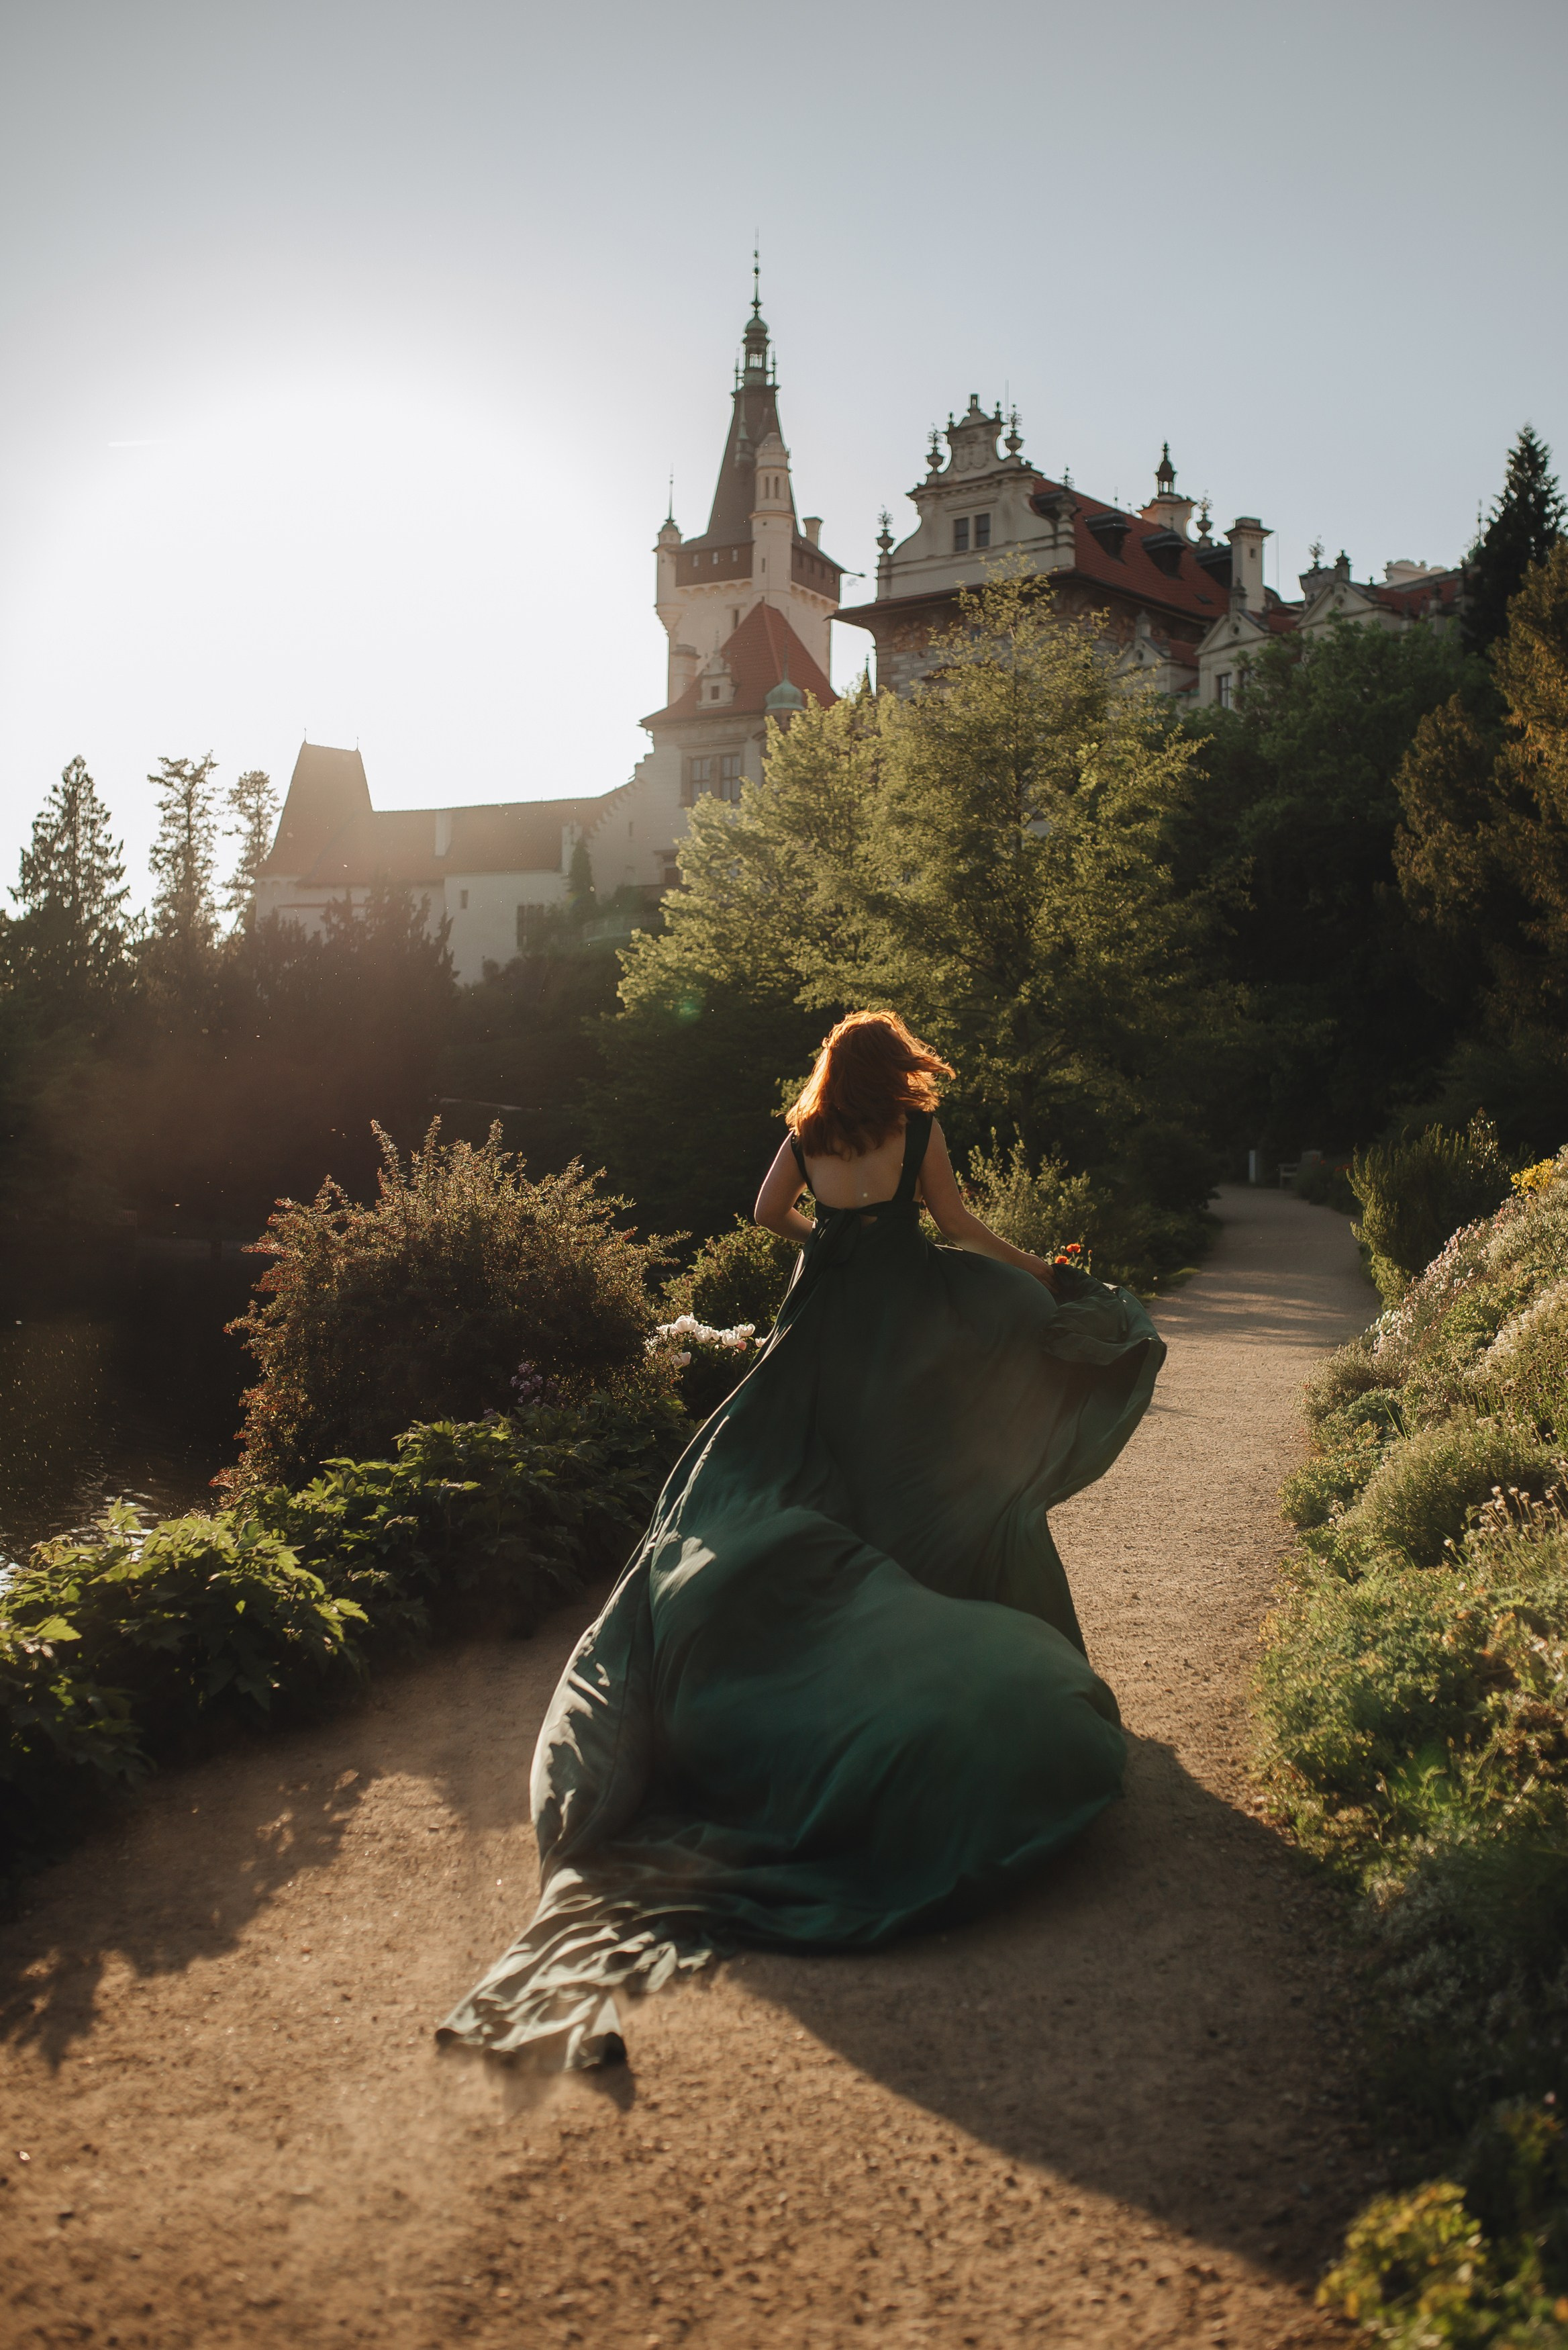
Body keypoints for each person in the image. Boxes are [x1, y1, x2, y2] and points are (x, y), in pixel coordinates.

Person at [438, 1010, 1164, 2069]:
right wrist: (1041, 1278)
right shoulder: (917, 1131)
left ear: (832, 1070)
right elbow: (958, 1227)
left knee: (783, 1472)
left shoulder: (809, 1130)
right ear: (896, 1066)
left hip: (823, 1327)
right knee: (923, 1471)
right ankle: (914, 1637)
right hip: (907, 1324)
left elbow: (765, 1211)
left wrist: (823, 1241)